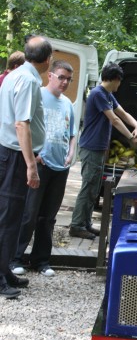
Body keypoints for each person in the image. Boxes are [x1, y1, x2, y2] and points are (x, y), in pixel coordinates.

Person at [11, 60, 76, 278]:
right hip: (40, 165)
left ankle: (41, 260)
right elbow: (22, 124)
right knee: (29, 213)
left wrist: (71, 154)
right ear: (50, 75)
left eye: (68, 79)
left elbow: (72, 134)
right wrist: (33, 155)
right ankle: (15, 258)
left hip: (60, 167)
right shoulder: (37, 95)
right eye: (61, 77)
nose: (64, 82)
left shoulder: (67, 104)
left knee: (48, 217)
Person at [0, 35, 52, 299]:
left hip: (10, 154)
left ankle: (5, 270)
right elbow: (22, 124)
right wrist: (31, 164)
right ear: (47, 59)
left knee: (11, 216)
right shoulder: (29, 80)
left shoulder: (14, 74)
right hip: (14, 157)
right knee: (8, 220)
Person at [69, 62, 137, 239]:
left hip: (99, 148)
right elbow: (115, 120)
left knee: (94, 189)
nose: (119, 85)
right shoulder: (98, 93)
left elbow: (123, 113)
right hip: (91, 148)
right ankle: (76, 225)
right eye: (119, 81)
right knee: (88, 188)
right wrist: (131, 138)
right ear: (115, 79)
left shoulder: (108, 95)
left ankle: (85, 223)